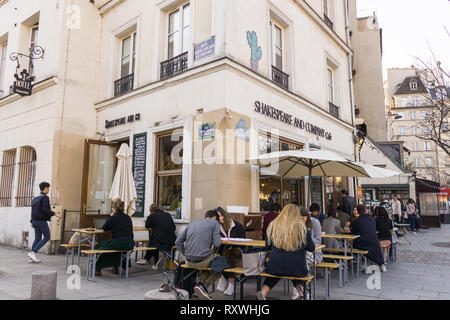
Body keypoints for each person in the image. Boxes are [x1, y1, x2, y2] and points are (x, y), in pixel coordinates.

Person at [257, 204, 315, 300]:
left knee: (278, 271)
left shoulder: (273, 226)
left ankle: (263, 292)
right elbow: (311, 248)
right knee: (293, 270)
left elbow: (268, 246)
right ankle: (302, 292)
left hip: (275, 265)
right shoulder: (302, 228)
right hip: (297, 266)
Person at [175, 210, 222, 300]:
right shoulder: (214, 223)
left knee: (210, 261)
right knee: (221, 263)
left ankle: (200, 286)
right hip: (203, 260)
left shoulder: (193, 223)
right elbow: (217, 244)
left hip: (188, 261)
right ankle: (203, 286)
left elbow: (177, 241)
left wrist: (185, 253)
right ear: (215, 218)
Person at [95, 200, 135, 276]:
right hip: (130, 243)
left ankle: (98, 269)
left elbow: (105, 228)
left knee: (99, 246)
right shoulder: (128, 218)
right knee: (115, 246)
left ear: (114, 208)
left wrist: (111, 216)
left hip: (120, 243)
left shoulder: (113, 217)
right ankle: (116, 267)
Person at [214, 207, 246, 296]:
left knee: (227, 253)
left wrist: (232, 243)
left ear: (225, 215)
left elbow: (243, 240)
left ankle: (224, 278)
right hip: (224, 251)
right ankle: (230, 282)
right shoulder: (217, 227)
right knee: (225, 254)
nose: (220, 218)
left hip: (238, 250)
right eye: (218, 217)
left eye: (221, 216)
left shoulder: (236, 225)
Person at [28, 182, 61, 263]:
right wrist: (55, 214)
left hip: (35, 221)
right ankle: (33, 252)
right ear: (45, 188)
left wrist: (32, 221)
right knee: (47, 237)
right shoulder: (44, 198)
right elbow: (45, 210)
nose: (49, 189)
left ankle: (31, 258)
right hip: (41, 221)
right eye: (48, 188)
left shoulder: (35, 198)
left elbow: (33, 211)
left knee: (37, 238)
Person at [136, 204, 176, 269]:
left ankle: (151, 261)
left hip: (160, 242)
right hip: (172, 240)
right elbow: (174, 227)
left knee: (154, 242)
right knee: (155, 240)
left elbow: (147, 226)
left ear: (151, 210)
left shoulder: (152, 216)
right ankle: (147, 259)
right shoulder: (167, 215)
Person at [351, 204, 387, 273]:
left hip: (363, 243)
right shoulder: (372, 219)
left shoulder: (356, 221)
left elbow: (353, 234)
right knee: (376, 250)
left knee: (354, 246)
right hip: (375, 241)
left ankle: (363, 263)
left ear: (358, 211)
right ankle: (382, 265)